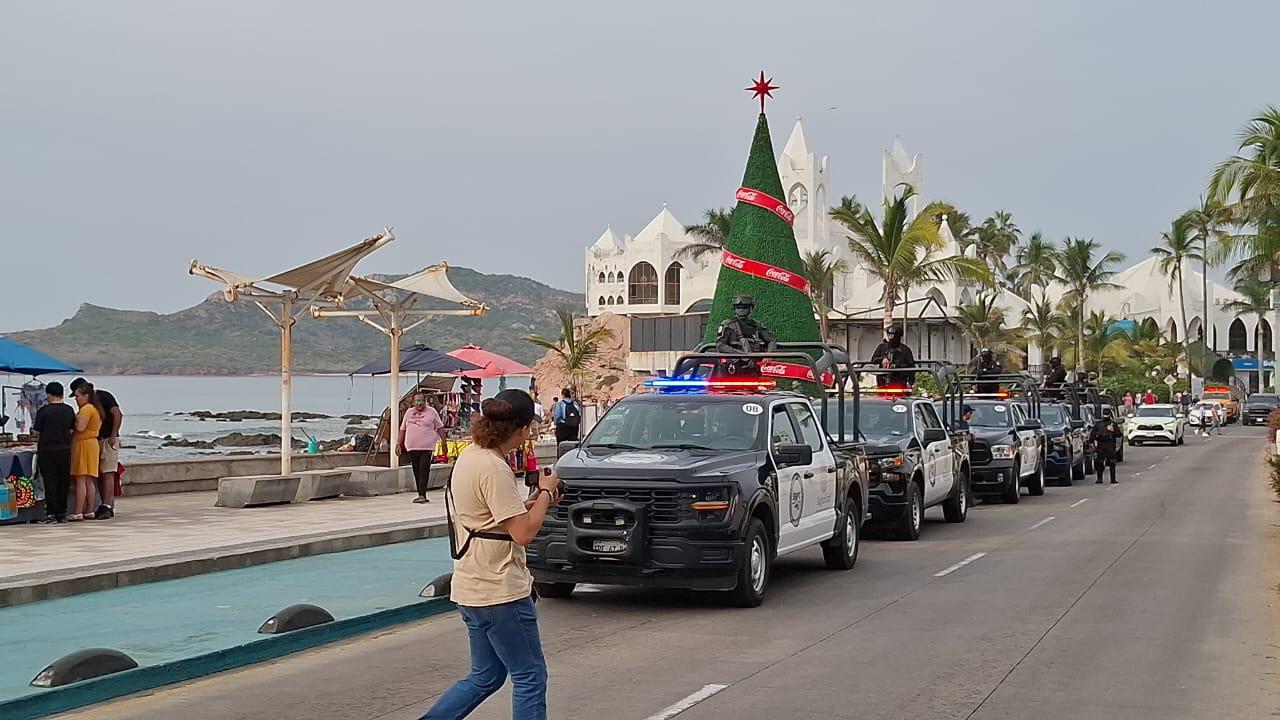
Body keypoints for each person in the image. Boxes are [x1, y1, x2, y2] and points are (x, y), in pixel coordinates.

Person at [423, 389, 561, 720]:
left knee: (486, 675)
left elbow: (489, 516)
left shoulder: (470, 456)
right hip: (500, 590)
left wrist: (530, 504)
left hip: (471, 587)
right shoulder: (494, 467)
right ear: (523, 429)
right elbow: (524, 533)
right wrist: (544, 491)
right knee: (530, 676)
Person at [70, 377, 122, 519]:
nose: (76, 399)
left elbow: (117, 414)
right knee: (92, 476)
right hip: (95, 439)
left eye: (76, 396)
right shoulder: (92, 406)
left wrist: (113, 436)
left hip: (105, 439)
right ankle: (95, 507)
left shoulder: (101, 398)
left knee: (107, 472)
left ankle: (106, 505)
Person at [31, 382, 76, 523]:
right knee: (63, 481)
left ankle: (50, 513)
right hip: (65, 449)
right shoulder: (69, 410)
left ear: (48, 395)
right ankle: (61, 513)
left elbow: (36, 431)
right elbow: (71, 429)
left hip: (47, 450)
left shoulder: (44, 411)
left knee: (50, 482)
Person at [400, 393, 445, 504]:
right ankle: (420, 493)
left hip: (426, 446)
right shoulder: (409, 412)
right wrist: (398, 443)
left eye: (421, 401)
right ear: (413, 402)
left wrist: (444, 443)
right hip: (412, 446)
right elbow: (402, 429)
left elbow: (440, 427)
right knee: (416, 469)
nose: (419, 403)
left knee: (424, 468)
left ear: (425, 401)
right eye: (417, 401)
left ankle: (422, 494)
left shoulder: (432, 412)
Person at [69, 382, 103, 522]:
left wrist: (72, 420)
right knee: (89, 479)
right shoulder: (95, 409)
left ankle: (78, 511)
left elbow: (80, 427)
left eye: (77, 396)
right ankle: (89, 510)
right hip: (92, 444)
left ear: (86, 396)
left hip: (83, 444)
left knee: (80, 479)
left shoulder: (86, 409)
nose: (76, 399)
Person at [1091, 415, 1121, 484]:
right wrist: (1091, 442)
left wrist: (1113, 430)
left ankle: (1113, 479)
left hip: (1110, 444)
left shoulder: (1113, 424)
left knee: (1112, 462)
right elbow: (1093, 434)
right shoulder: (1098, 424)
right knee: (1100, 462)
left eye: (1107, 414)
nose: (1106, 416)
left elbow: (1119, 434)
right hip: (1101, 444)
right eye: (1105, 414)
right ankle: (1099, 479)